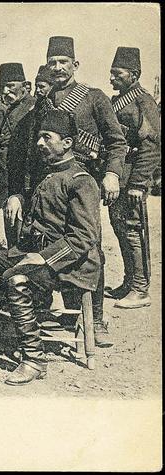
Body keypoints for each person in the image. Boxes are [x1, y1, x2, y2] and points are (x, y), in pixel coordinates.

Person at [0, 110, 101, 386]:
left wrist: (44, 258)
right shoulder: (48, 173)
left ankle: (34, 359)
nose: (39, 143)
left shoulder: (81, 181)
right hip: (36, 255)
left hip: (70, 265)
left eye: (46, 137)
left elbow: (84, 237)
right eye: (39, 137)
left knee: (17, 279)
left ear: (67, 143)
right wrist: (18, 198)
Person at [6, 36, 128, 346]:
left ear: (75, 65)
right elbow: (30, 152)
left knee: (89, 248)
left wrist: (112, 173)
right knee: (43, 241)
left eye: (63, 62)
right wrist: (18, 192)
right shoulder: (41, 103)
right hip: (48, 186)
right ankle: (42, 308)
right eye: (53, 63)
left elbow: (116, 142)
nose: (58, 68)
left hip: (81, 183)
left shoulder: (94, 97)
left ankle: (95, 320)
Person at [105, 46, 160, 309]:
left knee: (133, 230)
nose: (112, 78)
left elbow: (152, 146)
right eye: (111, 73)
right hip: (120, 176)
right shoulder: (119, 100)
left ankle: (140, 289)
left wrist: (138, 183)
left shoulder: (143, 101)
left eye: (118, 74)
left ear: (134, 75)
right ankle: (129, 282)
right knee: (120, 228)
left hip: (132, 178)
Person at [0, 63, 36, 248]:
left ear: (25, 86)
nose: (5, 91)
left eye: (11, 85)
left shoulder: (32, 108)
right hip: (8, 177)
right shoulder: (10, 108)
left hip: (22, 180)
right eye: (3, 86)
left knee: (21, 227)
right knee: (10, 222)